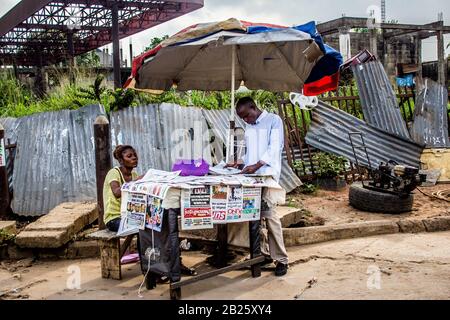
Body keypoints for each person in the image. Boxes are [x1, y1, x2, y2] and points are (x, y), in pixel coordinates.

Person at [227, 97, 289, 276]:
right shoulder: (249, 126)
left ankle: (281, 259)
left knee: (270, 217)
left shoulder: (273, 120)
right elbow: (249, 154)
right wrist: (238, 164)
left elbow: (275, 147)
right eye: (243, 118)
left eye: (247, 115)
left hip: (266, 176)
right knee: (254, 216)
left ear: (254, 107)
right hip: (251, 177)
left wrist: (257, 165)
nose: (245, 120)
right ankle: (263, 254)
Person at [103, 145, 140, 232]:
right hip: (114, 219)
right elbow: (117, 193)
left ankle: (142, 246)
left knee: (149, 225)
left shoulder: (134, 175)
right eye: (129, 156)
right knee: (140, 227)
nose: (134, 158)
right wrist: (137, 181)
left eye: (135, 155)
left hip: (129, 216)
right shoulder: (114, 173)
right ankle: (141, 246)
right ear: (120, 161)